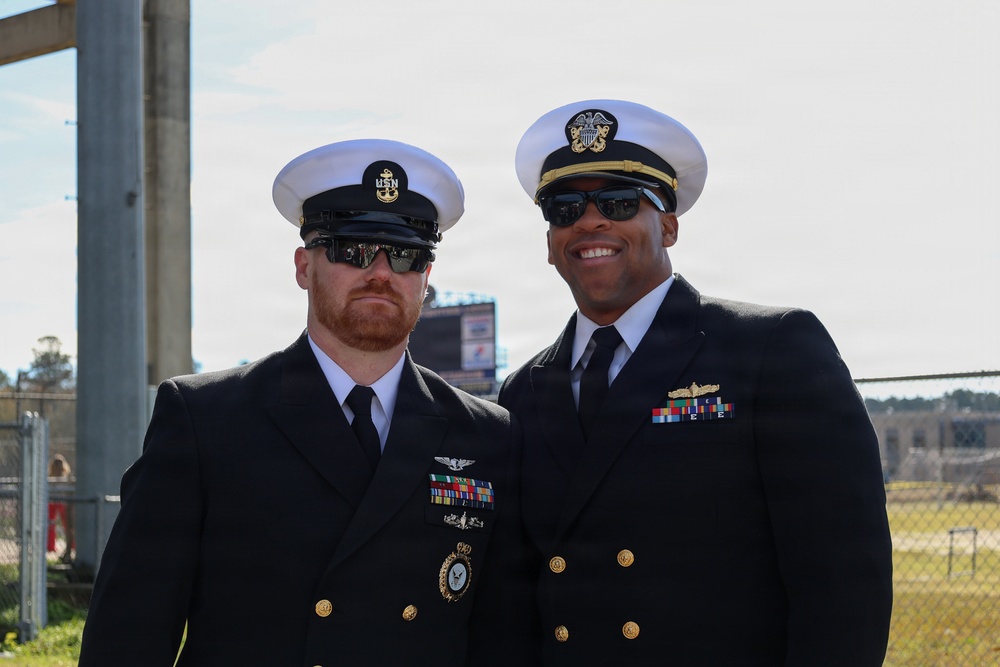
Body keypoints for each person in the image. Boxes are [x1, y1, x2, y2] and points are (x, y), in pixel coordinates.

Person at [79, 139, 536, 666]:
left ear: (426, 279)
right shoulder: (207, 419)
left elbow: (504, 638)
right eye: (353, 249)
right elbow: (129, 634)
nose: (382, 272)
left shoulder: (485, 433)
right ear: (303, 266)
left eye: (407, 255)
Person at [498, 99, 893, 666]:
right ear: (550, 241)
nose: (589, 221)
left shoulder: (772, 351)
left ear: (668, 224)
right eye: (563, 209)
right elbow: (516, 602)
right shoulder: (523, 392)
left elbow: (843, 587)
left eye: (617, 201)